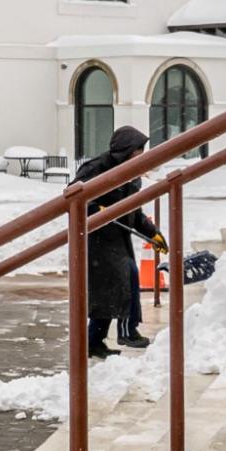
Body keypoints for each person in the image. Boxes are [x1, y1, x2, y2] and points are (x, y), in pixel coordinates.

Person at [73, 125, 167, 359]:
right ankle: (127, 331)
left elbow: (133, 211)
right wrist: (96, 208)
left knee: (109, 290)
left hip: (117, 237)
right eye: (138, 151)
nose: (141, 155)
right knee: (126, 277)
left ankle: (94, 341)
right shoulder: (99, 168)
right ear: (126, 151)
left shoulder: (132, 176)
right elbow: (74, 194)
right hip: (96, 238)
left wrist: (152, 233)